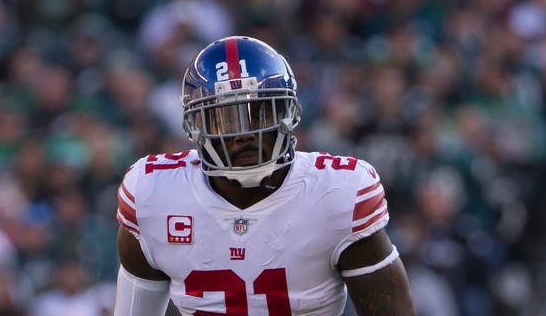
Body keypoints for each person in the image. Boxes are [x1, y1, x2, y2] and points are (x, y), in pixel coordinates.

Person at [114, 35, 417, 316]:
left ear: (289, 113)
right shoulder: (152, 197)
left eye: (260, 112)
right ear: (196, 128)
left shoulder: (337, 195)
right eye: (224, 119)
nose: (244, 133)